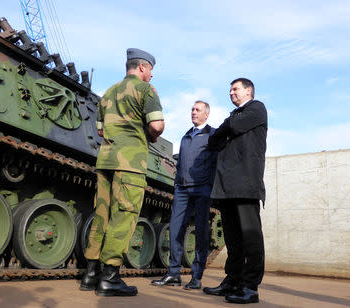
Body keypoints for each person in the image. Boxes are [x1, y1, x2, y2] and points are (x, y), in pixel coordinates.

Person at [80, 48, 164, 297]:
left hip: (105, 161)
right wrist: (146, 134)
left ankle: (91, 273)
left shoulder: (108, 93)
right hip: (130, 163)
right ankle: (110, 278)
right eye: (150, 70)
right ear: (141, 68)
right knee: (123, 217)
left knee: (102, 215)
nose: (151, 76)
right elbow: (157, 126)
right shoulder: (145, 90)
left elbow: (101, 132)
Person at [203, 78, 267, 304]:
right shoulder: (234, 115)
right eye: (230, 89)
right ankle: (233, 280)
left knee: (251, 238)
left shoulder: (256, 108)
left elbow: (233, 126)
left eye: (235, 88)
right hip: (227, 188)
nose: (231, 92)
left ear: (248, 90)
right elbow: (213, 140)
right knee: (233, 239)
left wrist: (227, 127)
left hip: (246, 185)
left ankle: (250, 287)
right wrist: (225, 128)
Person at [151, 101, 217, 290]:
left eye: (198, 110)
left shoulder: (212, 135)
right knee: (175, 229)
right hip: (182, 189)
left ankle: (196, 277)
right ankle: (173, 273)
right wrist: (178, 181)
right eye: (192, 109)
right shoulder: (186, 135)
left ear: (206, 115)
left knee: (201, 232)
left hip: (201, 188)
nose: (194, 112)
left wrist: (208, 184)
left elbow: (216, 162)